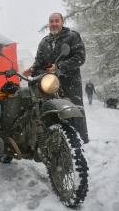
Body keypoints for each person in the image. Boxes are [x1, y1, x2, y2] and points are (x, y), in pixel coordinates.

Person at [22, 12, 89, 143]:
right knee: (47, 109)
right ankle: (52, 140)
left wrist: (59, 66)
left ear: (62, 22)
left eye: (56, 21)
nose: (54, 23)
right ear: (48, 24)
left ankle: (81, 140)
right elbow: (39, 61)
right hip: (48, 83)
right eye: (51, 21)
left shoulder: (72, 36)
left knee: (74, 110)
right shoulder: (44, 42)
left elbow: (80, 58)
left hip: (69, 82)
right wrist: (32, 69)